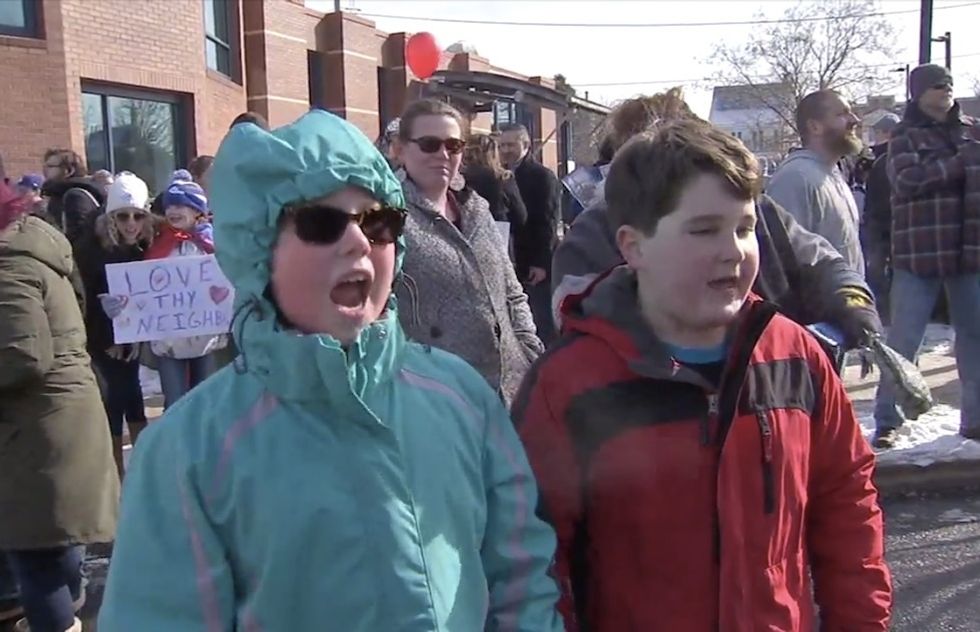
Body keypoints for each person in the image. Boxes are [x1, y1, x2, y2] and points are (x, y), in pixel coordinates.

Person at [97, 110, 564, 631]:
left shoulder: (461, 399)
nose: (359, 241)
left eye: (378, 221)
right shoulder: (191, 451)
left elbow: (519, 573)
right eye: (322, 223)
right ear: (259, 249)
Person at [515, 119, 892, 631]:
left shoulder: (794, 355)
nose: (733, 249)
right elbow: (535, 558)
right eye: (703, 230)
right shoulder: (571, 384)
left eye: (743, 227)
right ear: (634, 246)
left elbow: (847, 505)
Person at [553, 91, 881, 353]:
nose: (732, 251)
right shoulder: (592, 233)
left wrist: (852, 306)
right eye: (703, 230)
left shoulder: (759, 211)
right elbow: (574, 317)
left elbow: (823, 263)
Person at [0, 182, 119, 632]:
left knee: (37, 562)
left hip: (36, 432)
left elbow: (21, 355)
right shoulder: (34, 239)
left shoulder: (7, 261)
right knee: (57, 547)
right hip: (62, 420)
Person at [393, 100, 543, 405]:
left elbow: (511, 291)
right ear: (400, 149)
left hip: (509, 391)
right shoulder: (387, 217)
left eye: (454, 145)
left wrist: (529, 349)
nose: (443, 155)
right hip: (438, 397)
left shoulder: (476, 208)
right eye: (429, 144)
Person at [873, 64, 980, 446]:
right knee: (904, 339)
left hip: (969, 251)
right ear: (918, 93)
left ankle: (975, 421)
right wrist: (959, 164)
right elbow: (906, 181)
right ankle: (887, 419)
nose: (945, 90)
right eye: (937, 85)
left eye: (950, 83)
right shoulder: (904, 136)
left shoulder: (972, 130)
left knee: (974, 337)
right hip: (918, 252)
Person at [74, 172, 154, 479]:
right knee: (112, 403)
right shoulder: (90, 251)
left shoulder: (144, 246)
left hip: (131, 340)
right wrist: (109, 335)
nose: (131, 223)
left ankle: (143, 472)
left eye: (137, 216)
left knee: (133, 397)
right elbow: (83, 302)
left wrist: (135, 336)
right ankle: (116, 477)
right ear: (111, 218)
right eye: (123, 217)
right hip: (101, 341)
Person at [766, 90, 866, 275]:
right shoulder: (795, 178)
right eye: (842, 114)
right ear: (814, 127)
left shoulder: (831, 172)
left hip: (847, 300)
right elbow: (783, 255)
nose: (854, 120)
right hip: (819, 302)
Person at [143, 179, 224, 409]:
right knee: (175, 402)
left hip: (206, 339)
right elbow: (143, 284)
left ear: (197, 210)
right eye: (169, 206)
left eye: (180, 205)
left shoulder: (214, 242)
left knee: (205, 400)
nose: (173, 211)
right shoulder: (159, 242)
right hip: (168, 341)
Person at [499, 123, 562, 345]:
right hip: (511, 258)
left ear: (525, 145)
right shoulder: (500, 175)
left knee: (539, 322)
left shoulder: (541, 176)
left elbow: (548, 221)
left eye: (510, 144)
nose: (505, 150)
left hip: (534, 262)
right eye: (502, 145)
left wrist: (541, 263)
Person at [462, 132, 528, 263]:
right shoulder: (502, 178)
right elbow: (520, 215)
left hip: (465, 236)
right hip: (497, 236)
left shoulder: (458, 178)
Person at [863, 115, 901, 324]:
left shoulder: (886, 161)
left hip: (883, 226)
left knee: (878, 273)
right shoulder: (881, 160)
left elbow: (877, 199)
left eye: (877, 132)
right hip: (889, 227)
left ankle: (885, 314)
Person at [38, 149, 103, 245]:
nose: (44, 170)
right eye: (45, 166)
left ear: (68, 171)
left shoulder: (75, 196)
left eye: (50, 166)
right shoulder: (57, 194)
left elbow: (80, 237)